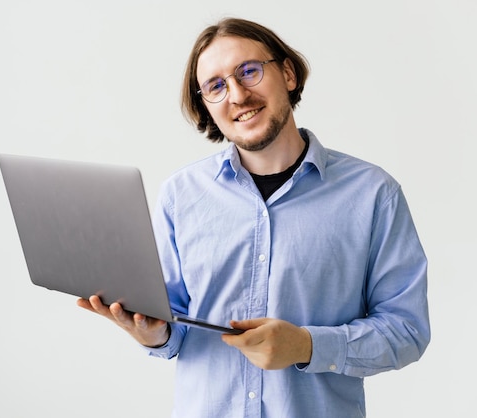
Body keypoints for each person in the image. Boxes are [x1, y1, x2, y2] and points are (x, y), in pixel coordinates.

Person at [77, 17, 430, 417]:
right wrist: (151, 333)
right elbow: (170, 332)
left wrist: (307, 346)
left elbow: (407, 330)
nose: (238, 95)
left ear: (288, 73)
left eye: (249, 71)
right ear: (207, 106)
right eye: (216, 86)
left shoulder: (373, 195)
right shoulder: (180, 195)